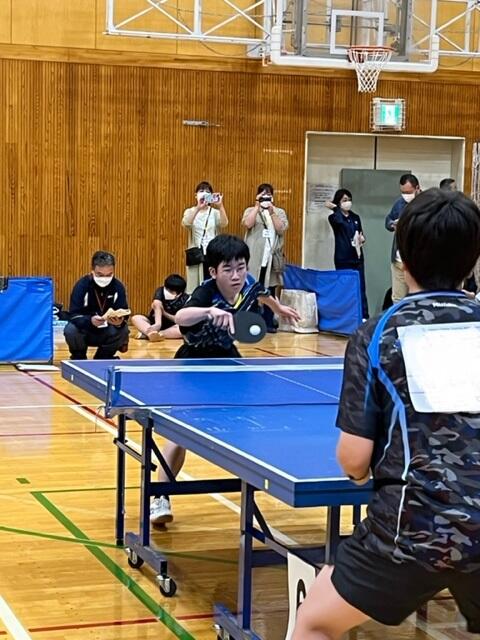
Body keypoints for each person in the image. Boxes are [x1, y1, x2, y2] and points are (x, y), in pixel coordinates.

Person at [292, 188, 480, 640]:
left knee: (314, 622)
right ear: (473, 261)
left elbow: (354, 460)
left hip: (411, 530)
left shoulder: (378, 334)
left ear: (403, 259)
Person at [149, 234, 301, 525]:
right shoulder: (205, 291)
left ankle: (250, 496)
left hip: (228, 361)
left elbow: (261, 292)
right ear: (213, 271)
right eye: (228, 269)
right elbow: (181, 317)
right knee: (179, 435)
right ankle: (161, 498)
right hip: (194, 363)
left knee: (244, 426)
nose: (236, 275)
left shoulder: (247, 284)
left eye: (240, 267)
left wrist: (278, 308)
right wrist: (208, 311)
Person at [64, 251, 129, 360]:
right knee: (71, 329)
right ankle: (79, 357)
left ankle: (104, 357)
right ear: (92, 271)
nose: (104, 278)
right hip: (86, 329)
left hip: (107, 329)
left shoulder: (118, 287)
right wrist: (90, 320)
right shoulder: (82, 286)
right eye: (100, 275)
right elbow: (74, 315)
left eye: (109, 275)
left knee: (124, 330)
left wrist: (119, 322)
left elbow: (124, 311)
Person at [242, 183, 289, 333]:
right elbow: (247, 224)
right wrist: (257, 206)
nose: (266, 198)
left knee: (270, 289)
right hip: (255, 258)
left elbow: (281, 229)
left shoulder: (279, 212)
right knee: (251, 290)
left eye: (268, 195)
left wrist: (272, 212)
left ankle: (268, 321)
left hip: (271, 259)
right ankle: (250, 321)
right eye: (263, 195)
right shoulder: (251, 210)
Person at [327, 189, 368, 319]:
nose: (348, 202)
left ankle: (363, 316)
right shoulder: (334, 217)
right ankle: (345, 316)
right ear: (338, 202)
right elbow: (339, 222)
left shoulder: (355, 217)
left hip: (357, 257)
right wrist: (335, 209)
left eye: (349, 200)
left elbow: (360, 233)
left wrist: (362, 239)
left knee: (360, 288)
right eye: (344, 200)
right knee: (344, 288)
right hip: (343, 258)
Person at [183, 181, 228, 293]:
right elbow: (186, 223)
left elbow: (224, 223)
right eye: (201, 191)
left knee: (211, 282)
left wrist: (220, 206)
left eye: (207, 191)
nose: (204, 193)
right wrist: (198, 208)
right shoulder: (190, 211)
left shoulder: (214, 212)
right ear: (196, 195)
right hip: (196, 252)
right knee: (195, 285)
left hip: (212, 251)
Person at [385, 173, 421, 303]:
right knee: (398, 299)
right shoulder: (399, 203)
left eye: (409, 192)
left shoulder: (427, 203)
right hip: (399, 260)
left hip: (418, 261)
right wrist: (392, 224)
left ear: (417, 188)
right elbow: (388, 219)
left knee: (418, 298)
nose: (406, 195)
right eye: (403, 192)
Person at [131, 274, 188, 341]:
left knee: (182, 330)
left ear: (179, 293)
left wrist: (164, 313)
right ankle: (152, 334)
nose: (167, 291)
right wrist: (158, 323)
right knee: (136, 318)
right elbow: (157, 304)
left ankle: (153, 334)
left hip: (172, 326)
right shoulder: (160, 291)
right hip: (154, 323)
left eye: (170, 291)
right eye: (166, 289)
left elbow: (178, 319)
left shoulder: (185, 299)